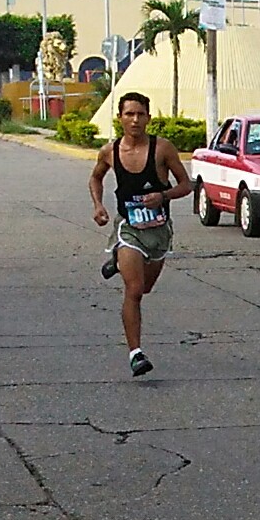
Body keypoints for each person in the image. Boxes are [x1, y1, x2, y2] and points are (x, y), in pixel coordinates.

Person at [90, 92, 192, 377]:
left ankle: (117, 260)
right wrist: (98, 206)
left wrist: (163, 195)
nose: (135, 120)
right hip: (129, 228)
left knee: (145, 288)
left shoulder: (162, 149)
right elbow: (96, 177)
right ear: (120, 118)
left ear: (148, 118)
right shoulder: (109, 151)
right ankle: (136, 354)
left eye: (140, 114)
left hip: (158, 230)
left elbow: (187, 185)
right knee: (133, 291)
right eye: (129, 114)